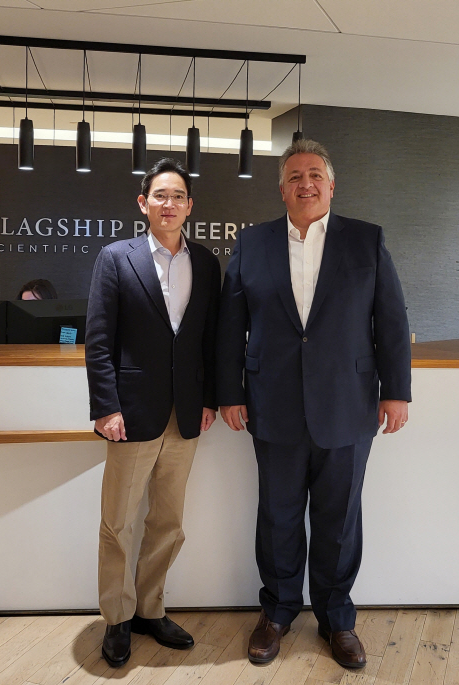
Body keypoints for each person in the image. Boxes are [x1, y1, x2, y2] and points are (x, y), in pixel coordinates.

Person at [216, 139, 411, 670]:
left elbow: (391, 321)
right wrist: (229, 392)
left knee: (339, 518)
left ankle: (336, 619)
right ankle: (277, 612)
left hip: (348, 404)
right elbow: (231, 325)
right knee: (277, 516)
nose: (306, 184)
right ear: (281, 189)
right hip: (271, 404)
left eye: (315, 175)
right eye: (295, 176)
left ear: (331, 185)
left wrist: (396, 390)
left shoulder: (366, 240)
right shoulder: (252, 243)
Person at [85, 158, 220, 668]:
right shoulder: (115, 258)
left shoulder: (205, 262)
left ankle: (150, 608)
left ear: (190, 206)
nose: (169, 204)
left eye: (178, 196)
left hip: (186, 414)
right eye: (160, 195)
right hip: (131, 414)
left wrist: (209, 399)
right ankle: (117, 617)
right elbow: (99, 340)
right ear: (143, 204)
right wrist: (106, 407)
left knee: (168, 520)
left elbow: (209, 338)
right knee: (117, 522)